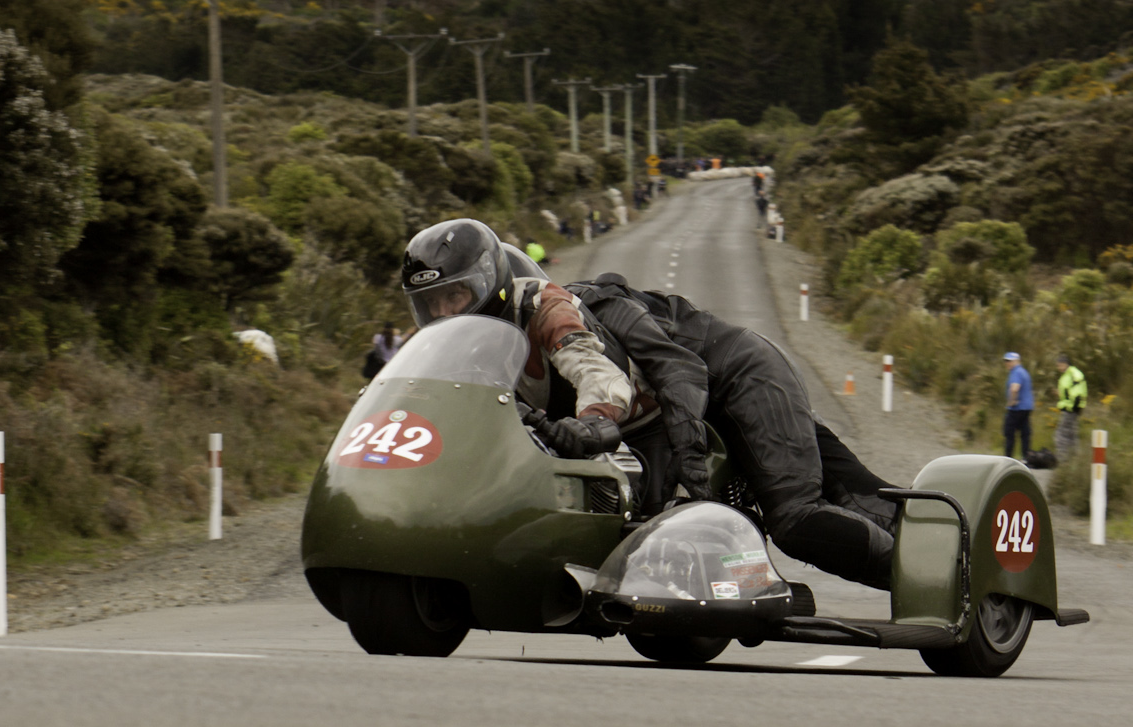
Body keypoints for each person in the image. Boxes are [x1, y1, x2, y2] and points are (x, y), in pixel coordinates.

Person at [400, 218, 897, 591]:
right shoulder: (476, 344)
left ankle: (918, 571)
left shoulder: (550, 310)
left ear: (492, 282)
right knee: (648, 526)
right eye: (433, 304)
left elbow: (597, 374)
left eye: (456, 296)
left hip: (733, 374)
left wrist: (595, 423)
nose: (446, 313)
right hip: (656, 413)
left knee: (795, 518)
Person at [1054, 353, 1088, 456]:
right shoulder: (1067, 374)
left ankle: (1063, 458)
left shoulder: (1073, 374)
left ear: (1065, 364)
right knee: (1071, 434)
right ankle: (1075, 459)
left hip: (1070, 409)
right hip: (1070, 407)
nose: (1058, 367)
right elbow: (1068, 391)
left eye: (1060, 365)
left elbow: (1077, 392)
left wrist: (1073, 407)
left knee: (1061, 434)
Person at [1003, 351, 1034, 459]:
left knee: (1009, 433)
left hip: (1017, 408)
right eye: (1006, 361)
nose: (1007, 363)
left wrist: (1012, 401)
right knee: (1025, 433)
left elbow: (1014, 388)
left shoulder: (1016, 372)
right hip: (1026, 408)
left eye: (1009, 361)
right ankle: (1026, 457)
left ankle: (1008, 458)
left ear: (1016, 361)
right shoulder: (1024, 372)